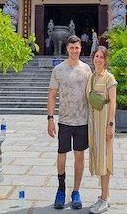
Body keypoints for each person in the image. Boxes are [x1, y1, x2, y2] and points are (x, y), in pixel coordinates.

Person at [47, 35, 92, 210]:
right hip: (64, 120)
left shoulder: (87, 69)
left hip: (82, 120)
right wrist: (50, 119)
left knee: (79, 156)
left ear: (81, 49)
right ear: (67, 48)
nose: (74, 50)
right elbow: (52, 95)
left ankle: (76, 191)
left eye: (77, 48)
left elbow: (92, 94)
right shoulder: (58, 69)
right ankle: (60, 189)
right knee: (62, 154)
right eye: (71, 48)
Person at [86, 46, 117, 214]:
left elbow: (113, 102)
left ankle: (104, 199)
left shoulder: (109, 78)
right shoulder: (91, 77)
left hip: (105, 122)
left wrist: (110, 125)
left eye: (101, 57)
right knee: (98, 159)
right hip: (93, 124)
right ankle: (105, 195)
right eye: (96, 56)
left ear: (105, 60)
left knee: (105, 160)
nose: (98, 59)